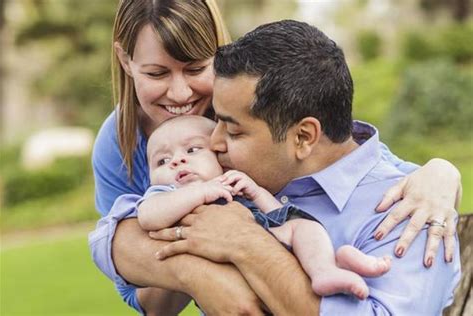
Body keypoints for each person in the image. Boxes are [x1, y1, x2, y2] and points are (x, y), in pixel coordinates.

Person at [89, 0, 462, 314]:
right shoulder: (241, 165)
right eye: (157, 73)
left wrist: (442, 173)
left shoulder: (401, 213)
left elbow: (354, 160)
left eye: (230, 129)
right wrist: (201, 273)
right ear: (126, 62)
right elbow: (110, 239)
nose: (213, 145)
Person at [138, 115, 392, 300]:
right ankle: (338, 265)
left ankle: (327, 267)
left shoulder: (231, 180)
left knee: (303, 226)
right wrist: (199, 192)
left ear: (219, 156)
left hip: (270, 240)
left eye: (192, 150)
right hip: (239, 264)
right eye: (162, 160)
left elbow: (277, 214)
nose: (177, 161)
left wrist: (256, 192)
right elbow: (148, 216)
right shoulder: (166, 194)